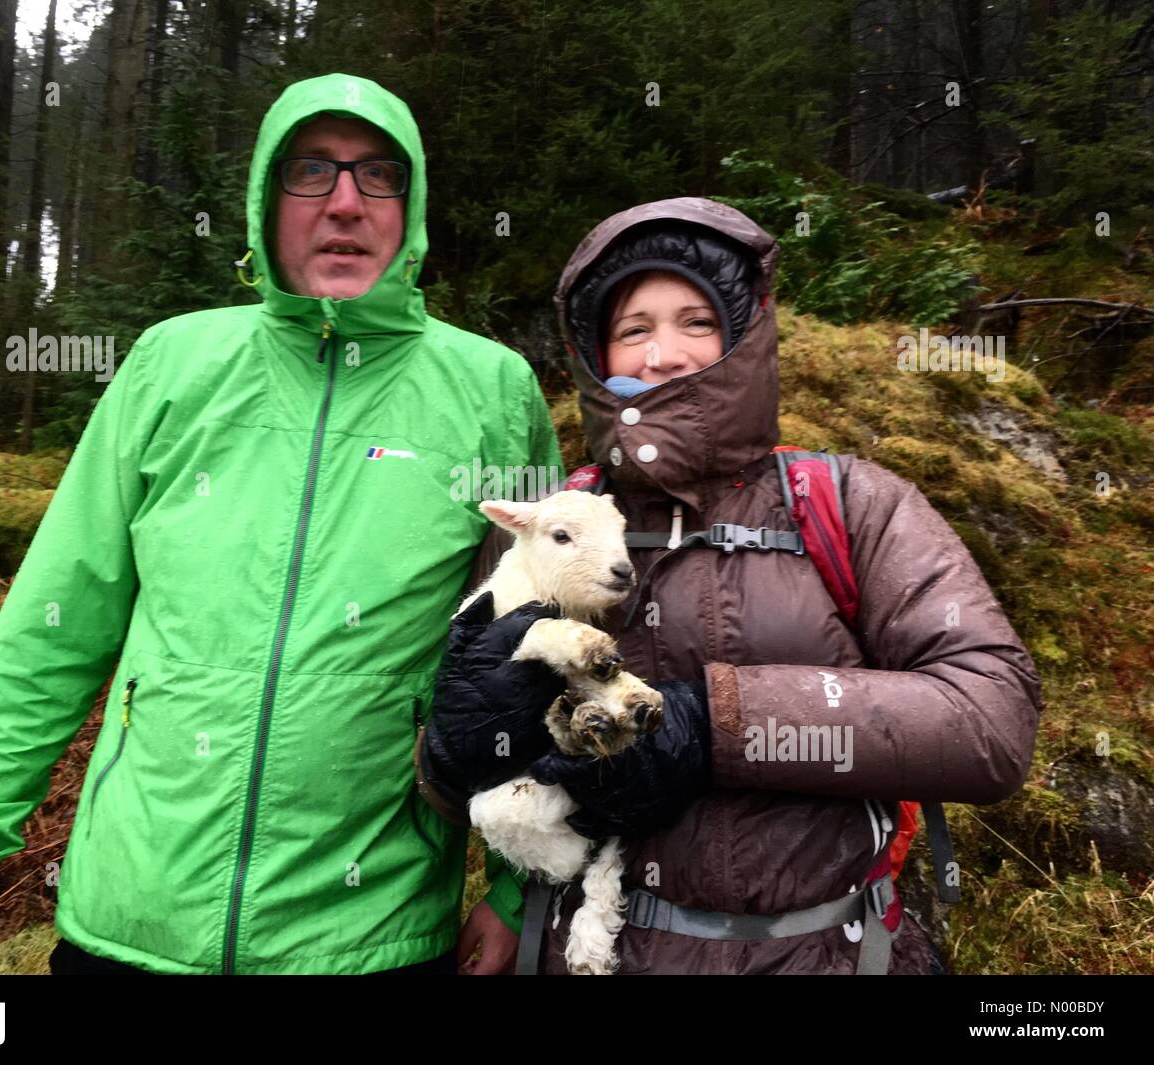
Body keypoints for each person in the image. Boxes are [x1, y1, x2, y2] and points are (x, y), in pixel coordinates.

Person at [0, 73, 564, 976]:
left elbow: (542, 652)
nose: (346, 203)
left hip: (372, 933)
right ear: (263, 202)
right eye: (310, 170)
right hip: (134, 916)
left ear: (413, 205)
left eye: (379, 173)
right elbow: (54, 627)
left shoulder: (493, 390)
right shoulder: (172, 363)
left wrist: (518, 887)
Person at [420, 196, 1042, 975]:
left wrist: (712, 727)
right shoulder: (554, 523)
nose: (664, 353)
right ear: (595, 354)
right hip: (591, 948)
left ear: (744, 335)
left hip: (828, 954)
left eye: (697, 321)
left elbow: (991, 719)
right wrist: (459, 749)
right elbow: (461, 777)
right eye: (634, 329)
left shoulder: (853, 504)